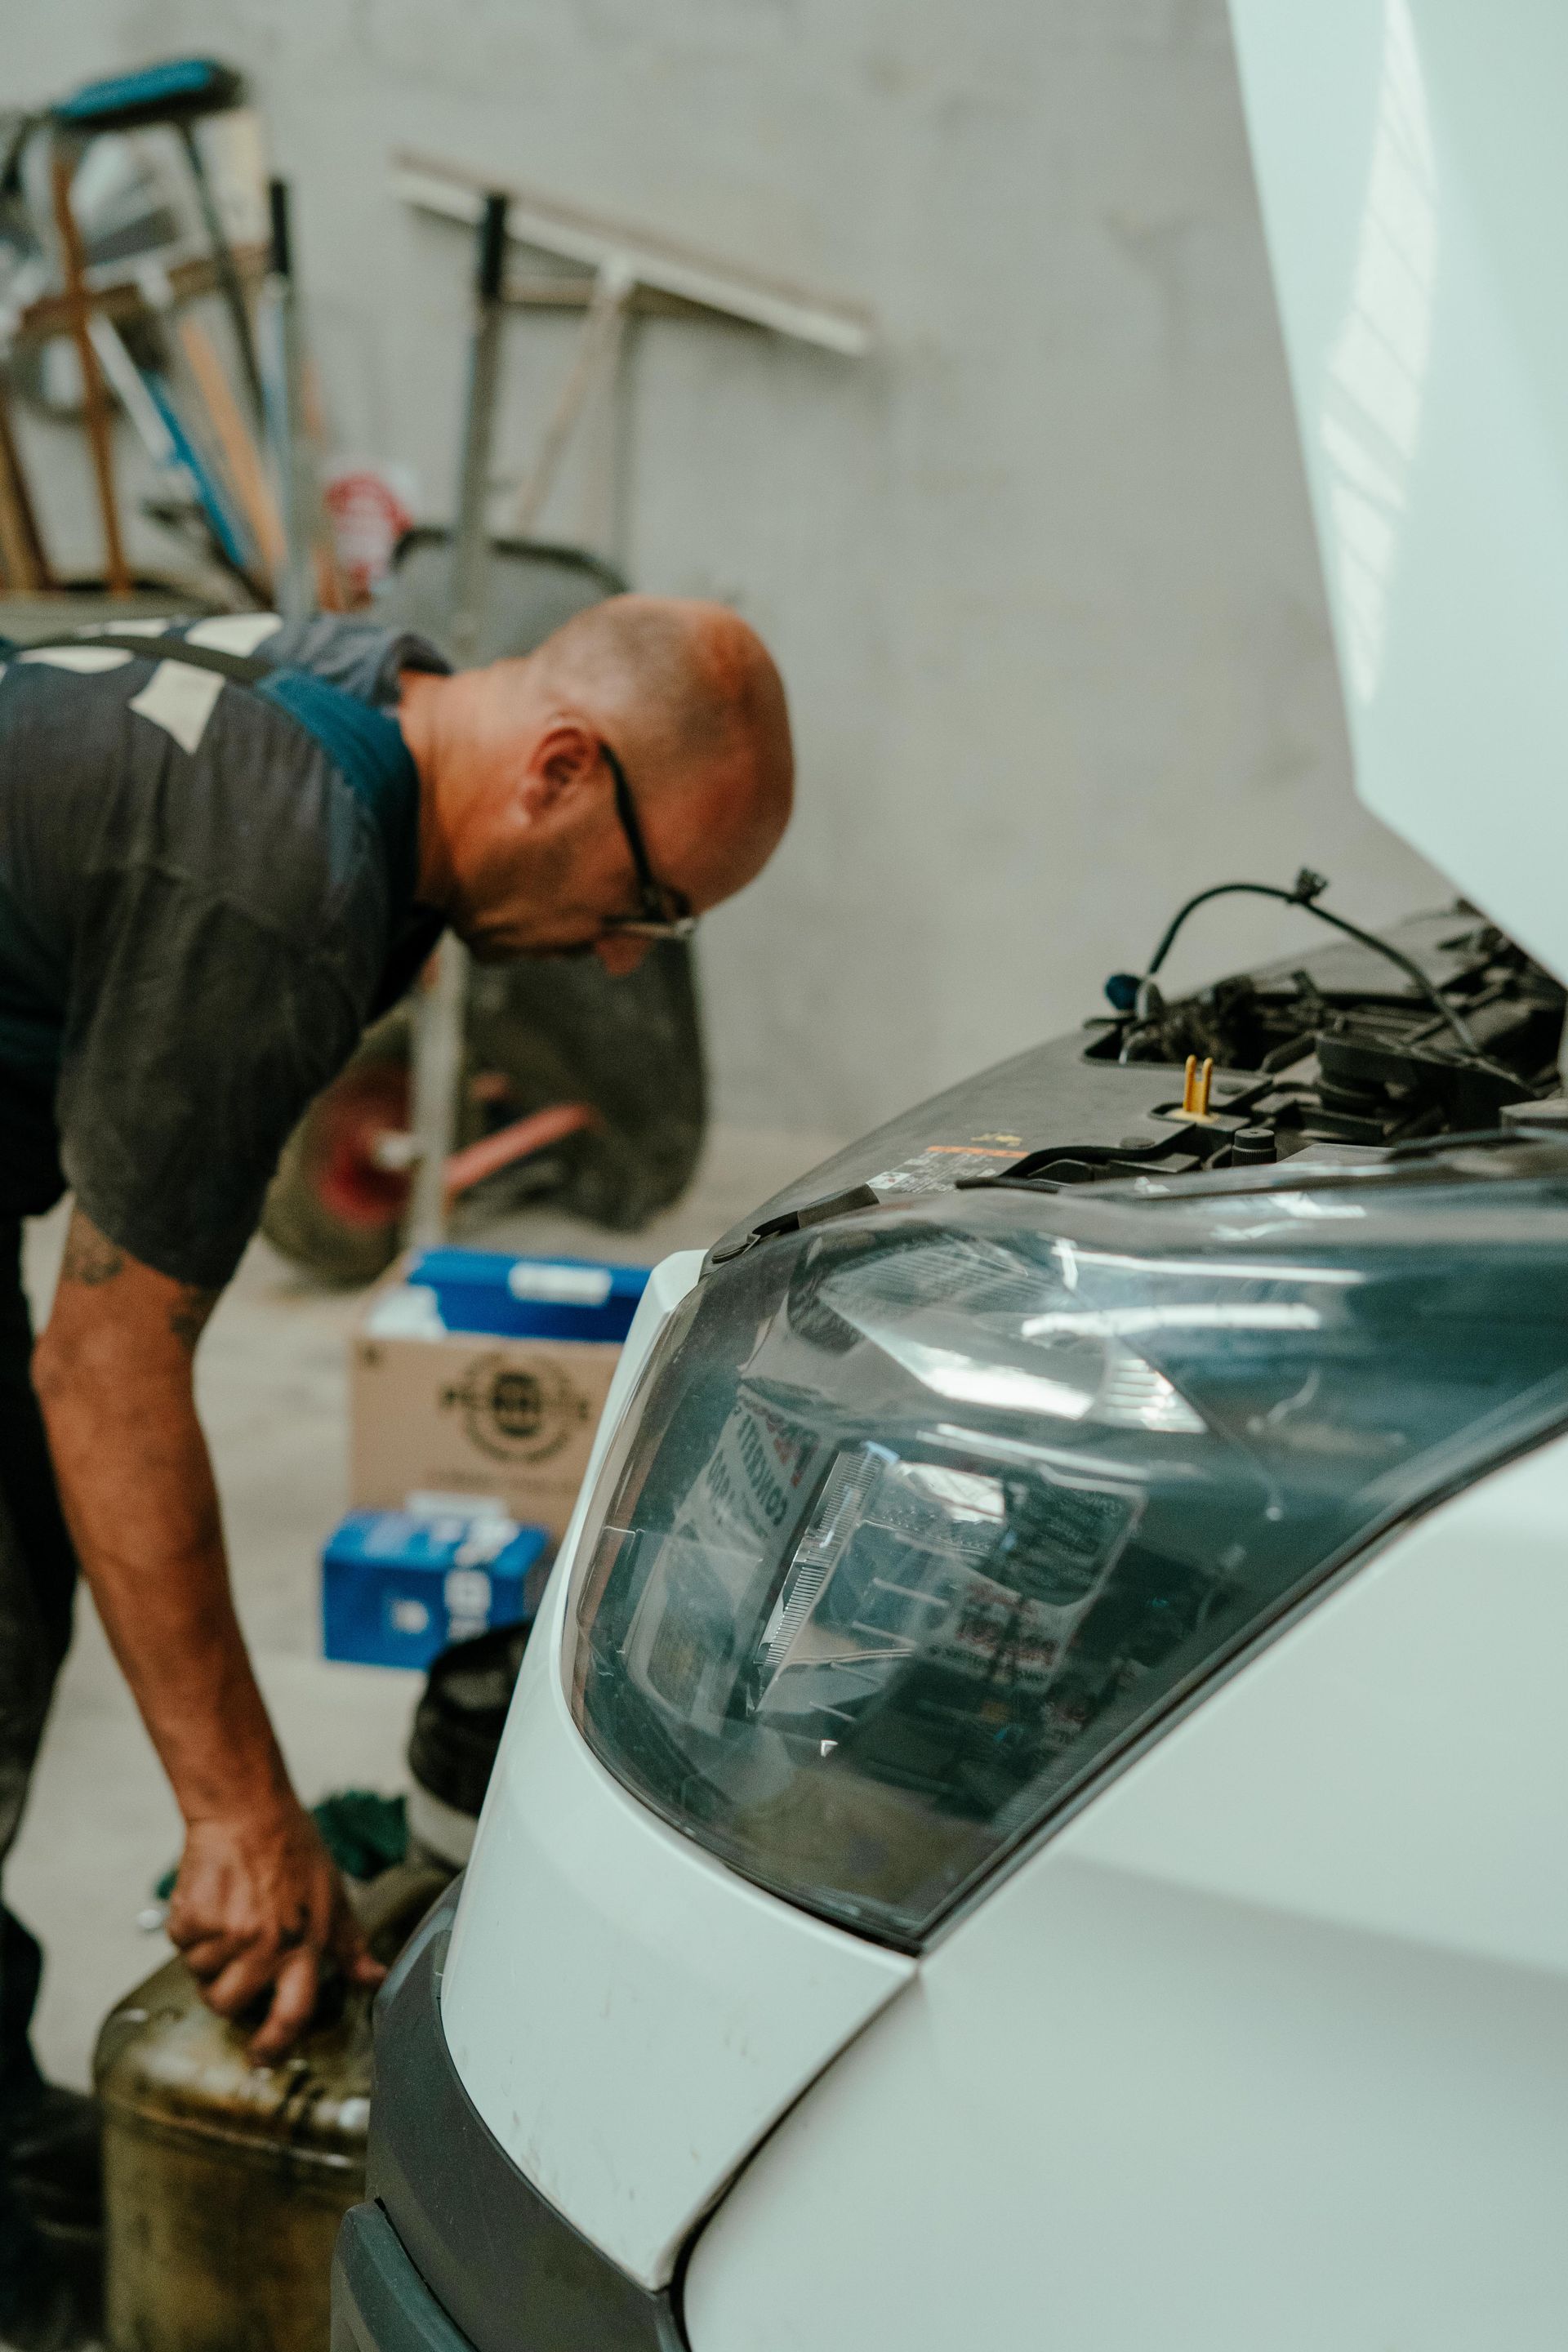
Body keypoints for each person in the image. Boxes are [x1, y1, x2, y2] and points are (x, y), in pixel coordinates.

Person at [0, 595, 793, 2341]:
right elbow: (108, 1368)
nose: (616, 961)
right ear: (561, 768)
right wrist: (237, 1816)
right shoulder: (278, 878)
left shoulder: (382, 691)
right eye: (648, 903)